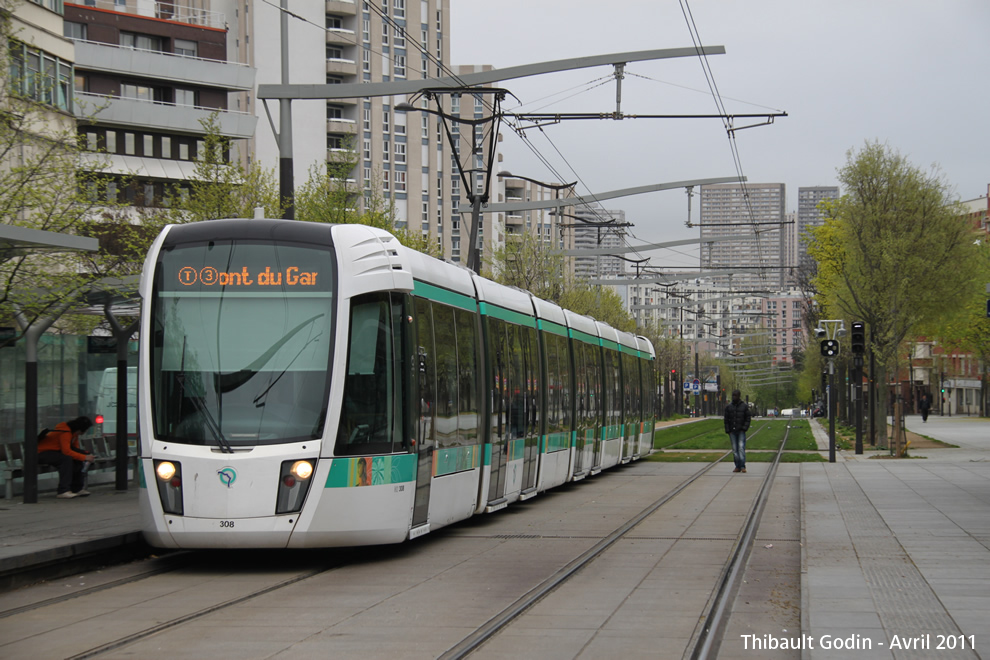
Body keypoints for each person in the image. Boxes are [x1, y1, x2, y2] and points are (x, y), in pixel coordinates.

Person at [37, 416, 95, 499]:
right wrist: (84, 457)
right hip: (42, 453)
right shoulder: (65, 432)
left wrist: (84, 455)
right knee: (66, 459)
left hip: (54, 452)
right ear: (81, 429)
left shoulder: (73, 433)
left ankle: (76, 488)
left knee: (76, 458)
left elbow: (75, 448)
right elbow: (66, 451)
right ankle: (63, 490)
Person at [724, 390, 751, 474]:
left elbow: (748, 418)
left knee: (741, 447)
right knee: (735, 449)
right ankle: (737, 466)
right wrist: (728, 430)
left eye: (735, 396)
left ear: (739, 396)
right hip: (732, 431)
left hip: (741, 430)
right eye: (733, 395)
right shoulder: (729, 407)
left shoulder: (744, 406)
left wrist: (744, 428)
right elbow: (726, 419)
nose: (734, 397)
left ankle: (742, 465)